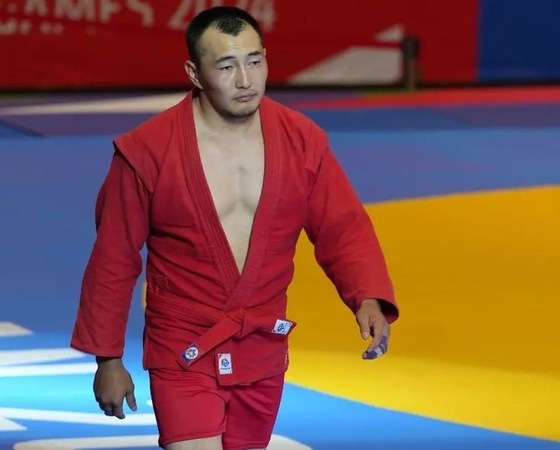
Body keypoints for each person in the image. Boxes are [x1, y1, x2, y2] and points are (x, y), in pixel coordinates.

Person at [69, 6, 399, 450]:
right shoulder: (147, 151)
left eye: (254, 61)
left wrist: (368, 296)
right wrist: (107, 359)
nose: (245, 80)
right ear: (194, 73)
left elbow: (343, 227)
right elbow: (114, 257)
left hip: (262, 344)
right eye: (226, 66)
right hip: (184, 346)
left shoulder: (302, 140)